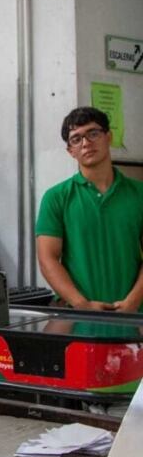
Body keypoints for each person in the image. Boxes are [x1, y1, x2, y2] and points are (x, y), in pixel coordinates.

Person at [36, 106, 143, 313]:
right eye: (76, 139)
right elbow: (47, 258)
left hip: (135, 317)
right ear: (70, 151)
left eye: (93, 133)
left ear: (108, 137)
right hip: (79, 318)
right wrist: (82, 304)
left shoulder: (139, 193)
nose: (86, 143)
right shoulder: (56, 197)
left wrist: (132, 302)